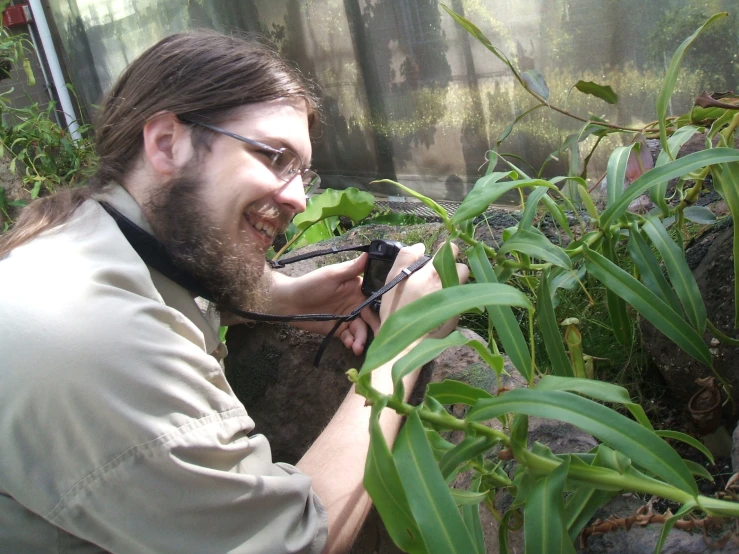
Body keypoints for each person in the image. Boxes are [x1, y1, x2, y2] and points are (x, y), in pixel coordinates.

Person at [0, 31, 468, 553]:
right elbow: (293, 543)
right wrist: (399, 349)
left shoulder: (73, 244)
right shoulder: (97, 340)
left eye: (303, 173)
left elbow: (169, 275)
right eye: (273, 157)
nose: (297, 198)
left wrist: (282, 299)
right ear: (166, 144)